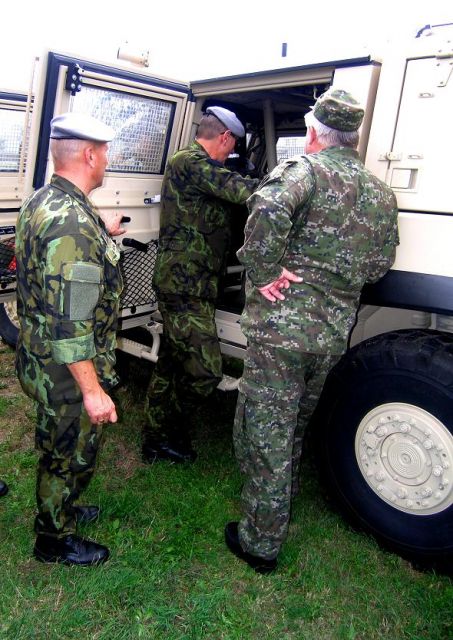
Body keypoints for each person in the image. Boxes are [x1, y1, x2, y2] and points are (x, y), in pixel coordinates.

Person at [225, 88, 400, 573]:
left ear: (313, 133)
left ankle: (260, 541)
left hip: (282, 333)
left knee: (266, 430)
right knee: (296, 422)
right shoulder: (380, 193)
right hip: (330, 334)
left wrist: (265, 271)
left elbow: (267, 209)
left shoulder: (304, 172)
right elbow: (379, 265)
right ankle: (283, 501)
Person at [15, 112, 124, 566]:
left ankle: (63, 507)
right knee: (65, 450)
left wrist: (103, 235)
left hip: (41, 357)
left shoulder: (46, 200)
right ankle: (53, 538)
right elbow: (72, 323)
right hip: (63, 369)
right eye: (106, 153)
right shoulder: (73, 225)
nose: (107, 161)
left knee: (63, 445)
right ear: (90, 155)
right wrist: (93, 391)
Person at [142, 106, 259, 464]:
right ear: (224, 137)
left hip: (197, 285)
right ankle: (171, 430)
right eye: (232, 145)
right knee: (205, 371)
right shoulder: (189, 162)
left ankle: (155, 439)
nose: (232, 152)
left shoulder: (203, 167)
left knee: (172, 363)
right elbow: (242, 190)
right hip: (182, 285)